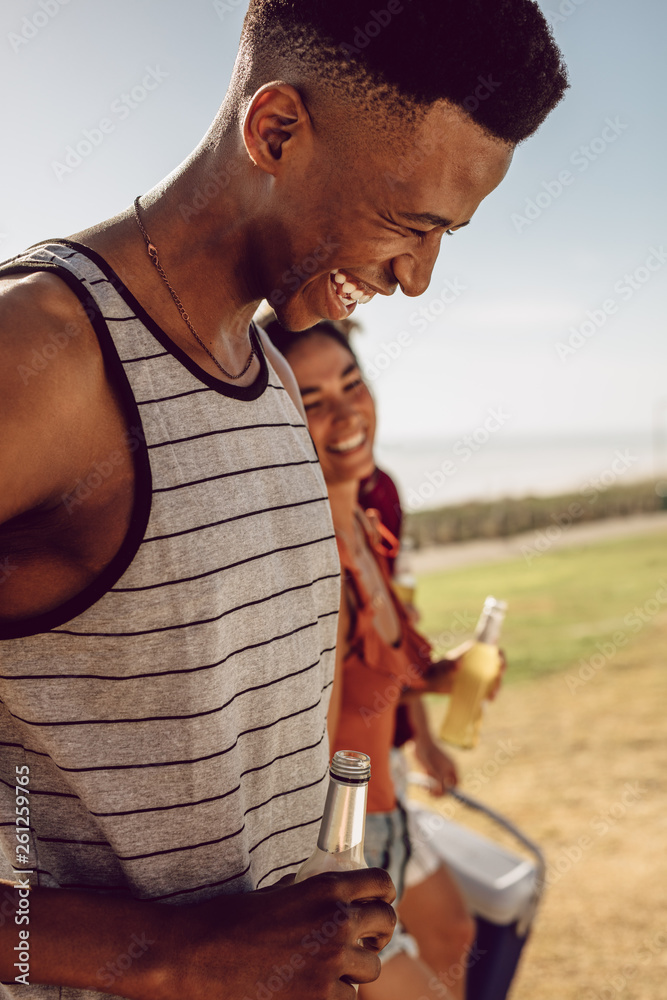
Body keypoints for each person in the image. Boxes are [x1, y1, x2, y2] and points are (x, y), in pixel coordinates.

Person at [0, 2, 567, 997]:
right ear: (276, 132)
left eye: (450, 235)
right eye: (411, 222)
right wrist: (178, 954)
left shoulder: (265, 371)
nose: (419, 277)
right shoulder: (41, 360)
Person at [264, 315, 481, 1000]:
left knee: (455, 931)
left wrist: (447, 680)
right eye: (313, 402)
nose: (345, 413)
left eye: (351, 384)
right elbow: (310, 753)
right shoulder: (312, 564)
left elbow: (377, 677)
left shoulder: (366, 518)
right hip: (348, 843)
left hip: (390, 811)